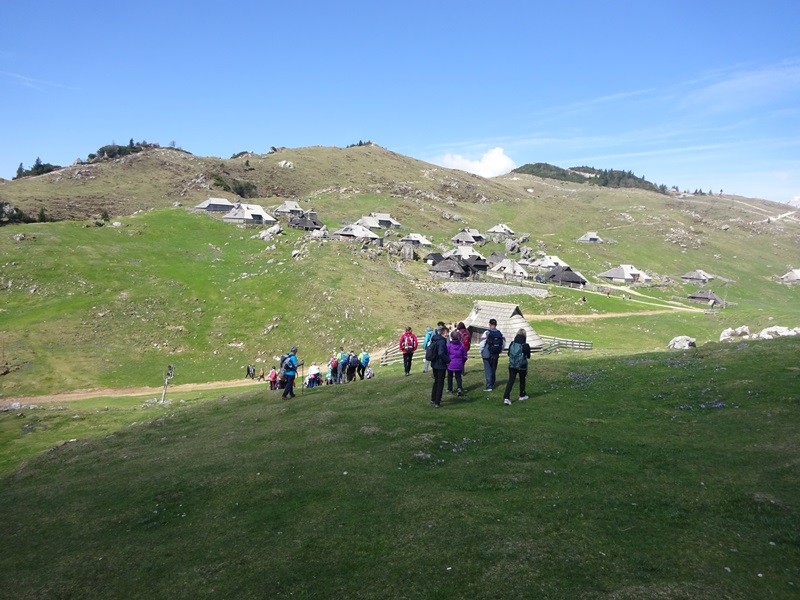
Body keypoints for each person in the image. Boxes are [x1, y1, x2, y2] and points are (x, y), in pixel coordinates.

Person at [502, 329, 531, 406]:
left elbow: (509, 354)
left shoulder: (512, 344)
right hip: (522, 365)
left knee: (511, 380)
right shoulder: (525, 345)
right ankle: (522, 395)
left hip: (512, 365)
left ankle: (506, 397)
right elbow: (528, 356)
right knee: (522, 380)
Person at [479, 318, 505, 391]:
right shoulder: (500, 333)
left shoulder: (486, 333)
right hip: (495, 354)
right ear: (496, 325)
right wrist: (499, 351)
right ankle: (492, 383)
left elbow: (482, 344)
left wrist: (481, 351)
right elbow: (503, 344)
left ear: (489, 324)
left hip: (487, 354)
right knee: (493, 369)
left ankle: (489, 386)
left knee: (488, 370)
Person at [428, 324, 450, 407]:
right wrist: (448, 360)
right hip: (440, 365)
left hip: (434, 363)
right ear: (443, 332)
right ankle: (437, 401)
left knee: (436, 381)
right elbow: (441, 353)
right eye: (447, 333)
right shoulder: (441, 341)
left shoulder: (435, 339)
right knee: (440, 383)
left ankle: (433, 398)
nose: (448, 335)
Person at [446, 329, 468, 396]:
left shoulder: (449, 345)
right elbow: (465, 355)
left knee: (449, 376)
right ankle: (459, 388)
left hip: (450, 363)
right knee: (458, 377)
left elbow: (446, 354)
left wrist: (447, 361)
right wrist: (462, 362)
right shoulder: (462, 345)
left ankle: (450, 388)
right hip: (459, 363)